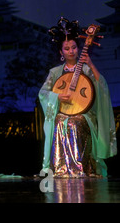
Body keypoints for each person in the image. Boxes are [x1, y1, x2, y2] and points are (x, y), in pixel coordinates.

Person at [39, 18, 117, 178]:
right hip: (63, 111)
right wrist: (58, 96)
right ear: (61, 53)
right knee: (60, 121)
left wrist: (91, 64)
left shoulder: (87, 69)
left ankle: (80, 167)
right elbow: (43, 93)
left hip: (84, 114)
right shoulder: (55, 73)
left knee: (75, 122)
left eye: (74, 47)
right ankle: (62, 168)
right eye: (66, 49)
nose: (71, 51)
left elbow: (100, 85)